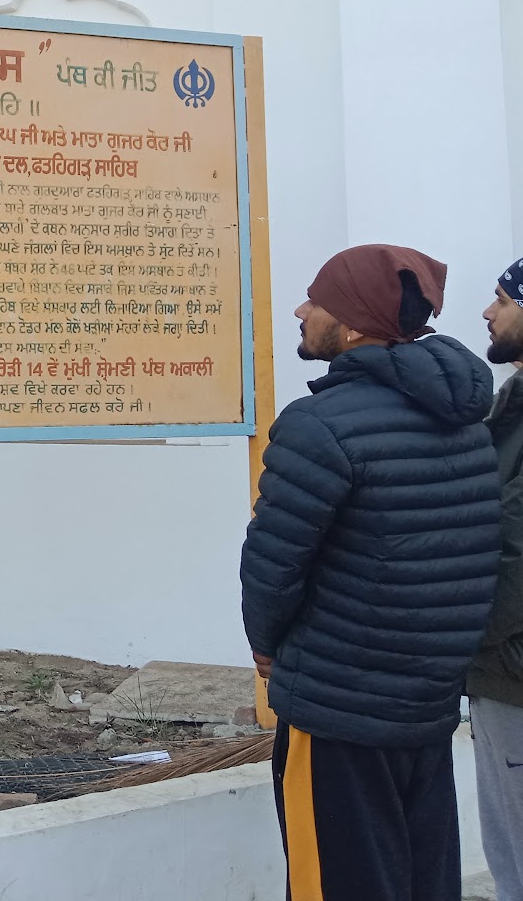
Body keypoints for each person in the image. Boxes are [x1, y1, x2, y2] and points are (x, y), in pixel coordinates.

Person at [241, 244, 501, 901]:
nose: (301, 311)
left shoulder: (319, 426)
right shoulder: (469, 426)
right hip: (425, 707)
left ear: (354, 325)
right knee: (419, 880)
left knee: (335, 883)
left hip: (336, 710)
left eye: (318, 299)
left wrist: (267, 648)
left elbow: (272, 567)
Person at [468, 259, 523, 901]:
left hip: (513, 670)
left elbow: (515, 554)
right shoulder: (512, 403)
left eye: (504, 299)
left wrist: (469, 638)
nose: (489, 311)